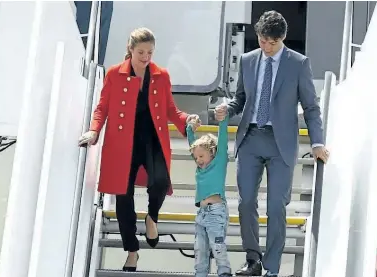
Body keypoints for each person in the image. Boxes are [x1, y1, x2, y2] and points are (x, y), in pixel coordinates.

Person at [214, 11, 330, 277]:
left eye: (271, 43)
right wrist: (226, 109)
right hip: (251, 139)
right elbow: (240, 98)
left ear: (283, 38)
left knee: (276, 206)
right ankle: (252, 260)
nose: (266, 47)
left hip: (282, 143)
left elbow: (311, 107)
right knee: (246, 202)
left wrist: (317, 142)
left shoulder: (298, 64)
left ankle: (272, 268)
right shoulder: (247, 60)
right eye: (262, 41)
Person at [78, 27, 200, 272]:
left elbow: (170, 110)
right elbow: (102, 107)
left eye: (150, 52)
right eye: (141, 52)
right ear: (130, 49)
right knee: (124, 198)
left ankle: (151, 216)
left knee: (160, 181)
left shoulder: (161, 75)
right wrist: (94, 131)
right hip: (122, 142)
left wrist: (187, 119)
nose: (146, 57)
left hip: (152, 138)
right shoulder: (114, 74)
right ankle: (132, 251)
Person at [186, 116, 231, 277]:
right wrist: (190, 128)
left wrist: (223, 120)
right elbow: (191, 141)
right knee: (200, 250)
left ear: (212, 153)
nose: (198, 160)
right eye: (196, 157)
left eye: (201, 156)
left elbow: (224, 139)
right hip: (202, 213)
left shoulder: (219, 162)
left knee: (217, 246)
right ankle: (200, 274)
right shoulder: (200, 169)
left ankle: (224, 272)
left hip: (216, 212)